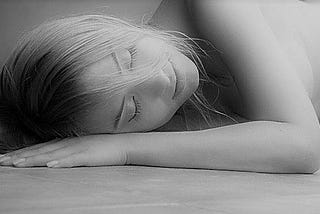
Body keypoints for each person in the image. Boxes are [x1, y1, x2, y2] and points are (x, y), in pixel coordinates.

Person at [0, 0, 319, 173]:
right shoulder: (166, 124)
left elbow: (304, 146)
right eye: (132, 109)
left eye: (128, 57)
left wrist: (123, 150)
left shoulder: (210, 5)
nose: (159, 80)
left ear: (114, 29)